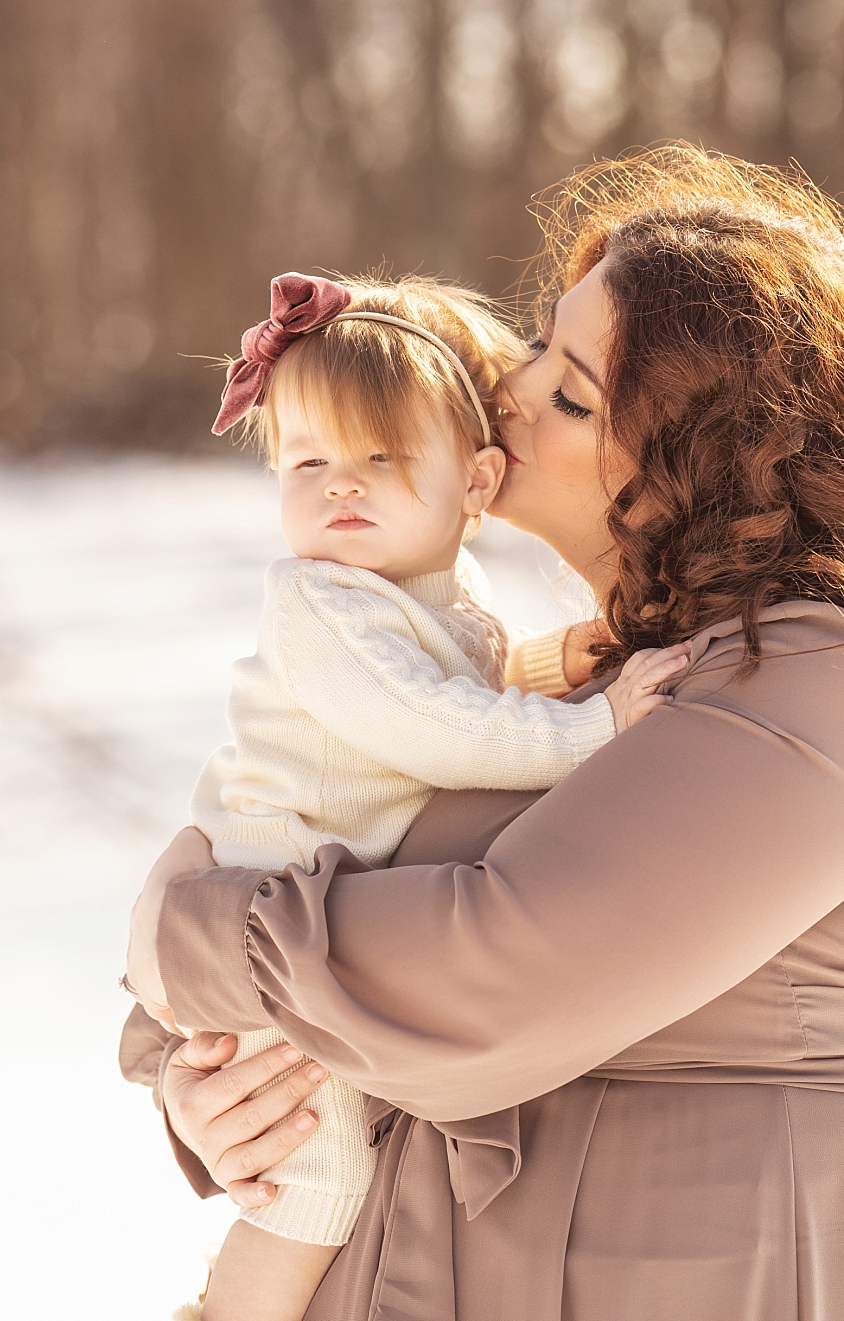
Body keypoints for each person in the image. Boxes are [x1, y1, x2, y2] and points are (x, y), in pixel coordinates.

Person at [125, 142, 844, 1320]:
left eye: (569, 392)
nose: (503, 394)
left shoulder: (797, 689)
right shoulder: (587, 674)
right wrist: (203, 1080)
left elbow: (476, 986)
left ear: (700, 470)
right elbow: (321, 858)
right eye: (536, 346)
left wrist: (183, 936)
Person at [127, 273, 683, 1321]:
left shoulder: (428, 600)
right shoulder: (321, 602)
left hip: (309, 904)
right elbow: (431, 725)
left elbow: (455, 678)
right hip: (271, 892)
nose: (341, 486)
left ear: (472, 483)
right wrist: (596, 726)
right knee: (311, 1181)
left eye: (380, 460)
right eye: (307, 463)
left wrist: (551, 659)